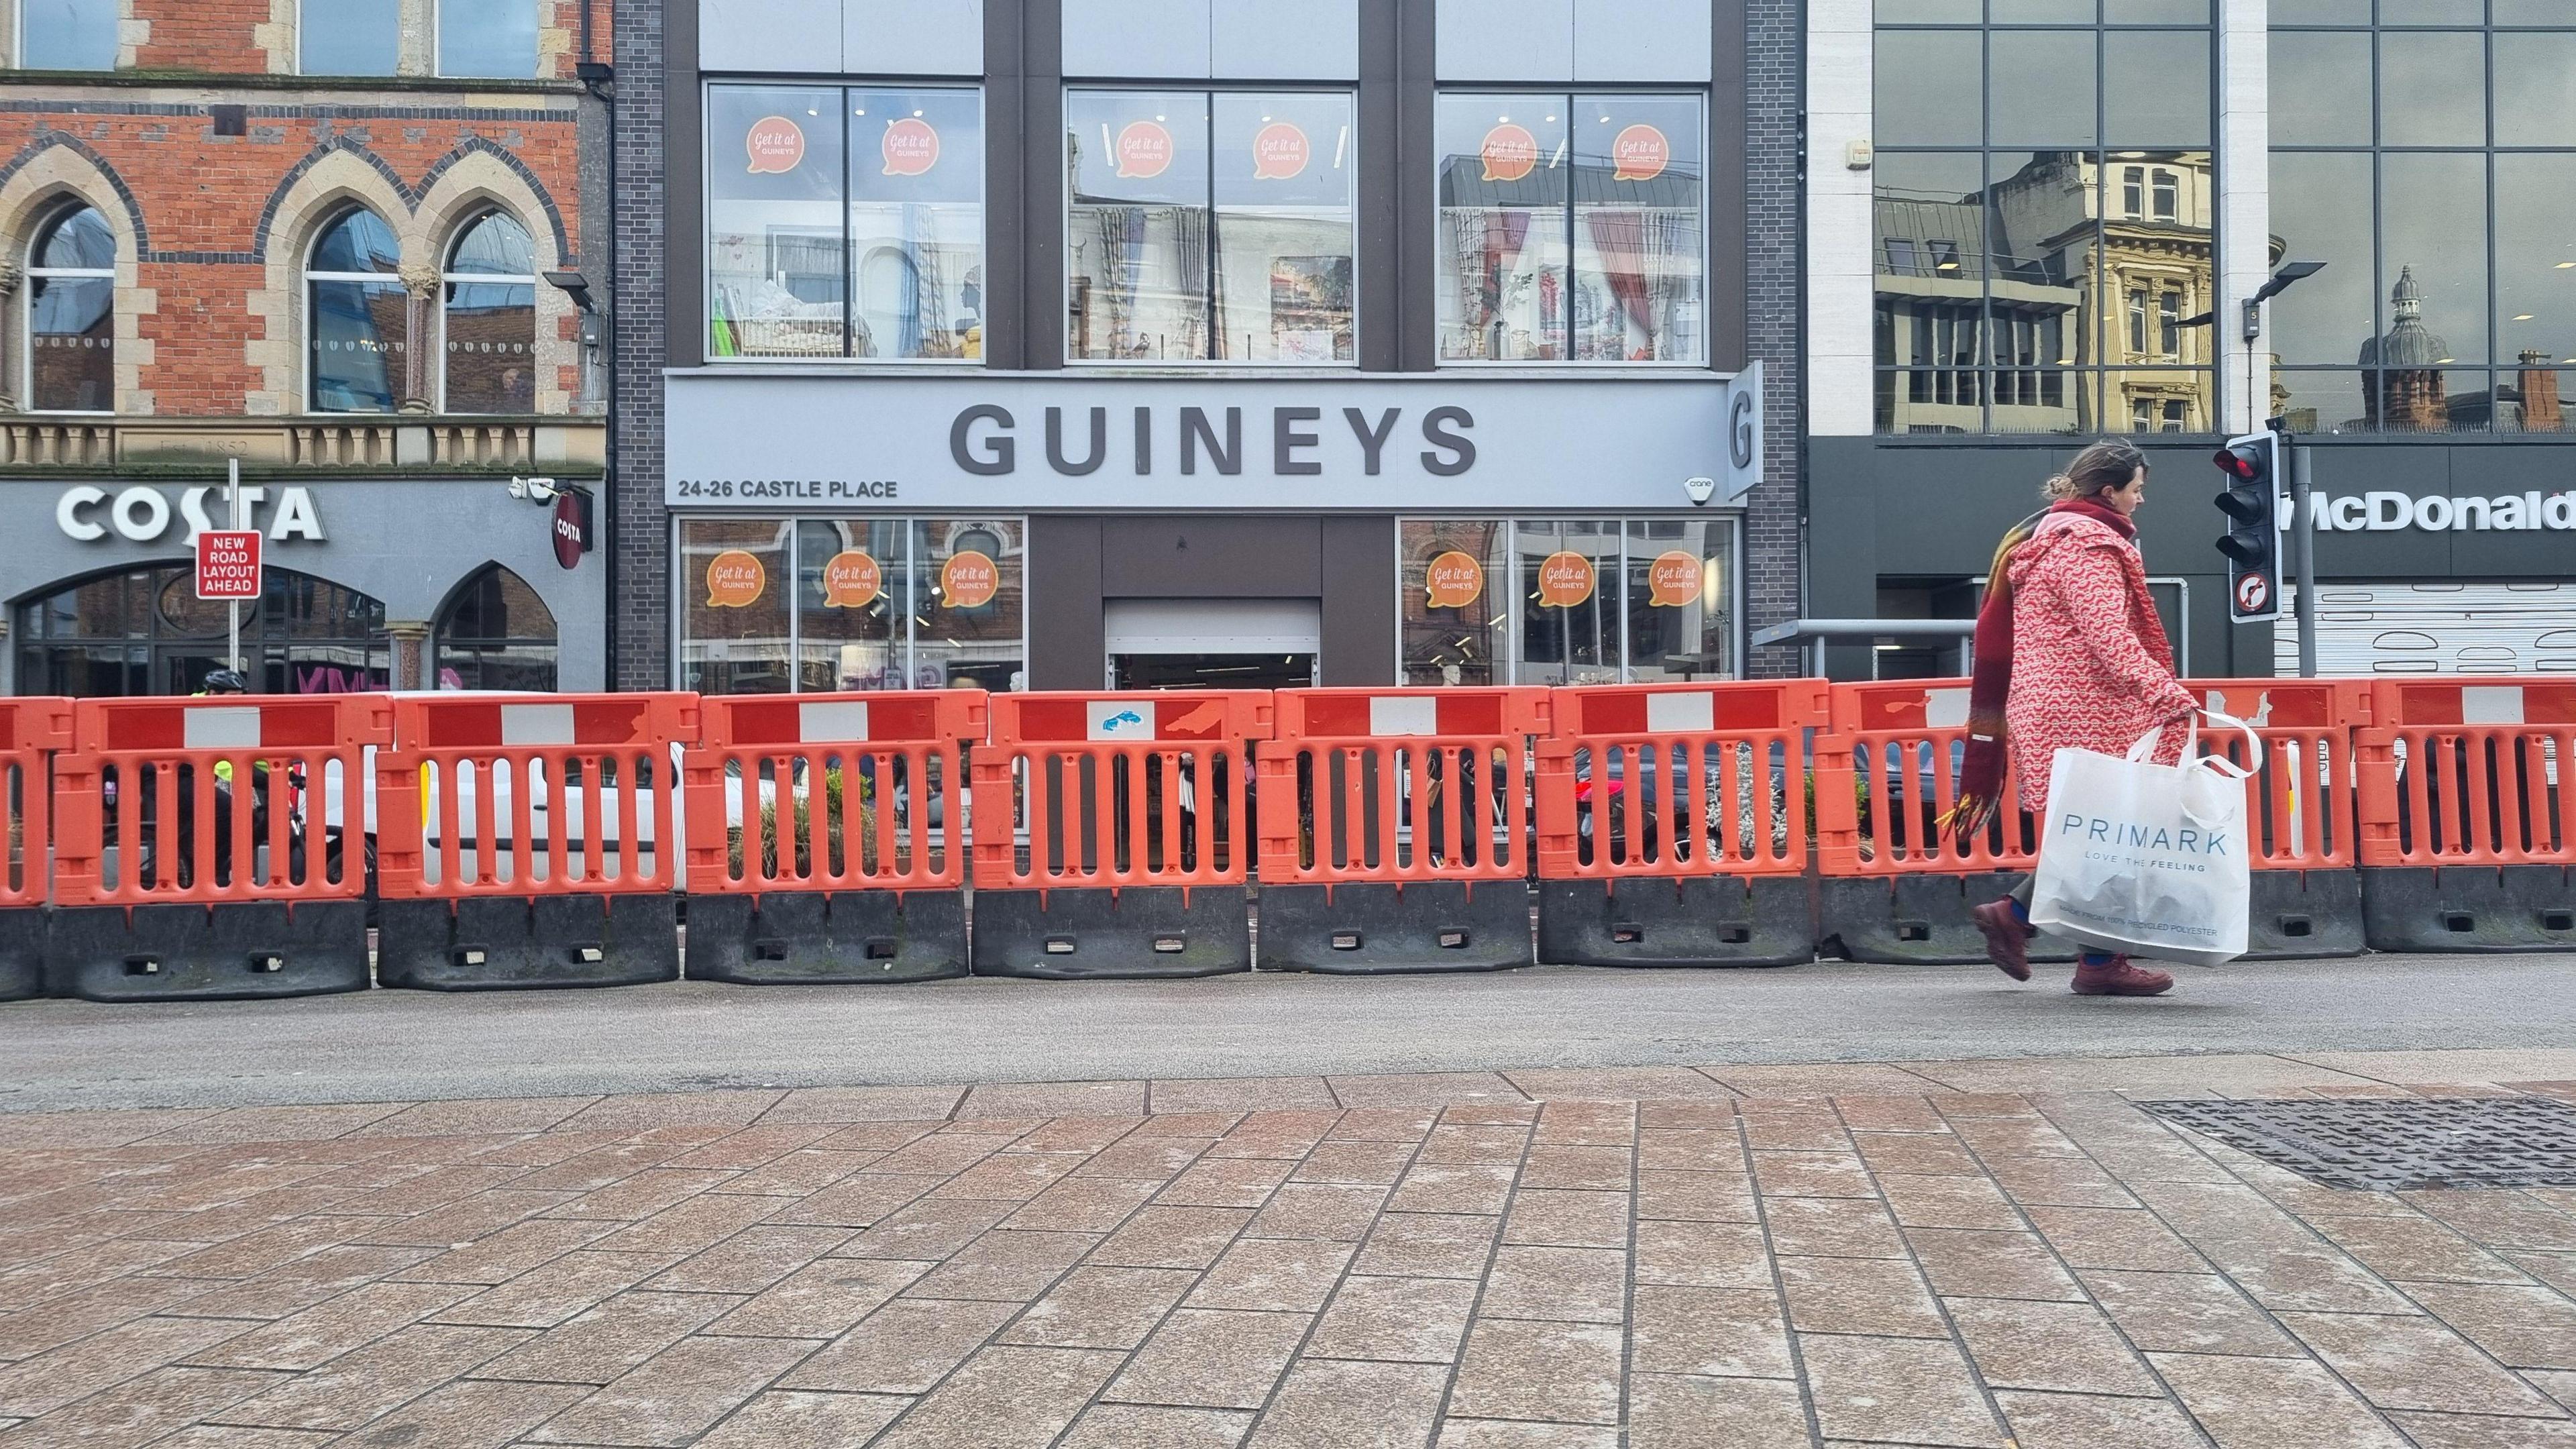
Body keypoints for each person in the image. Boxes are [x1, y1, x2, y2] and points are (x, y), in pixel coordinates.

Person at [1947, 439, 2200, 997]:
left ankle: (2080, 951)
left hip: (2055, 708)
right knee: (2117, 835)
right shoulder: (2086, 547)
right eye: (2136, 489)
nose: (2141, 500)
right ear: (2108, 491)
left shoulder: (2046, 537)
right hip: (2084, 710)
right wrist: (2166, 692)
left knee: (2098, 838)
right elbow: (2108, 636)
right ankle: (2045, 932)